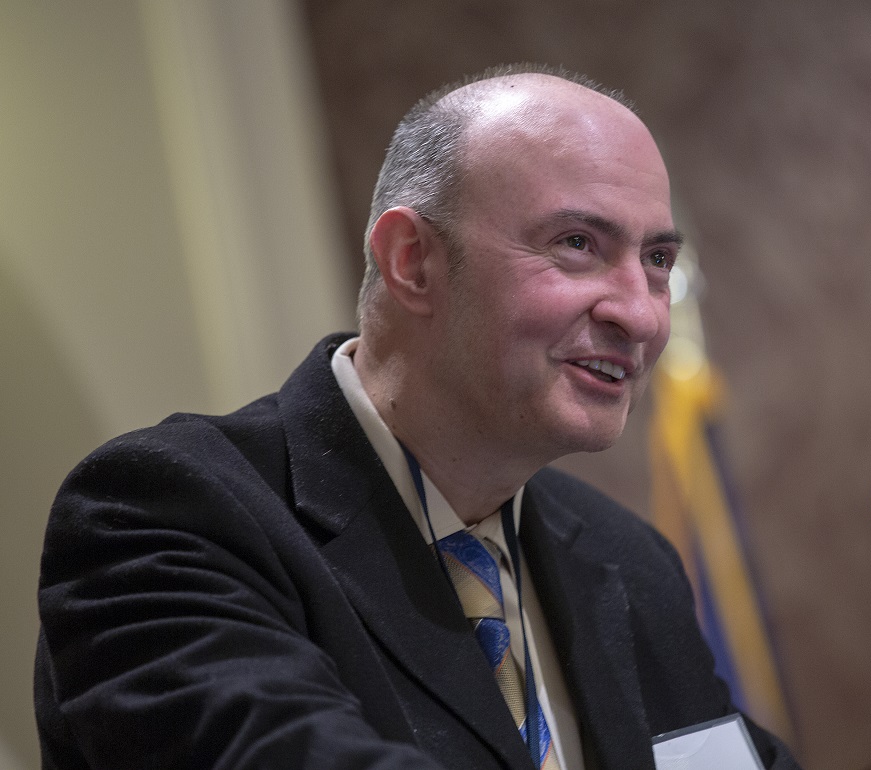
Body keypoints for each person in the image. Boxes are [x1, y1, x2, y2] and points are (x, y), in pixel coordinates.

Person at [35, 64, 800, 769]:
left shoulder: (628, 562)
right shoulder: (166, 514)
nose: (640, 313)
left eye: (658, 261)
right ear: (411, 261)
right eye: (576, 244)